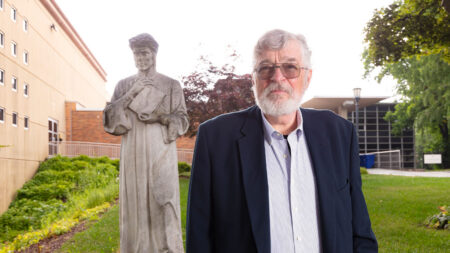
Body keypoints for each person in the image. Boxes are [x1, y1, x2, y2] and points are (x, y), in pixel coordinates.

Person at [186, 29, 377, 253]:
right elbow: (199, 237)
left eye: (290, 67)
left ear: (307, 77)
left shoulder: (339, 133)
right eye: (266, 68)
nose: (277, 78)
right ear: (254, 78)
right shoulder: (216, 139)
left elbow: (360, 231)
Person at [103, 33, 188, 253]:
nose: (140, 58)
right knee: (135, 204)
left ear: (154, 54)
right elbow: (111, 118)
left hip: (161, 151)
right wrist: (132, 93)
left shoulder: (171, 85)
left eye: (144, 53)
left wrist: (160, 117)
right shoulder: (123, 85)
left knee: (164, 200)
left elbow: (182, 120)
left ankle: (167, 248)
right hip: (133, 150)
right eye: (136, 53)